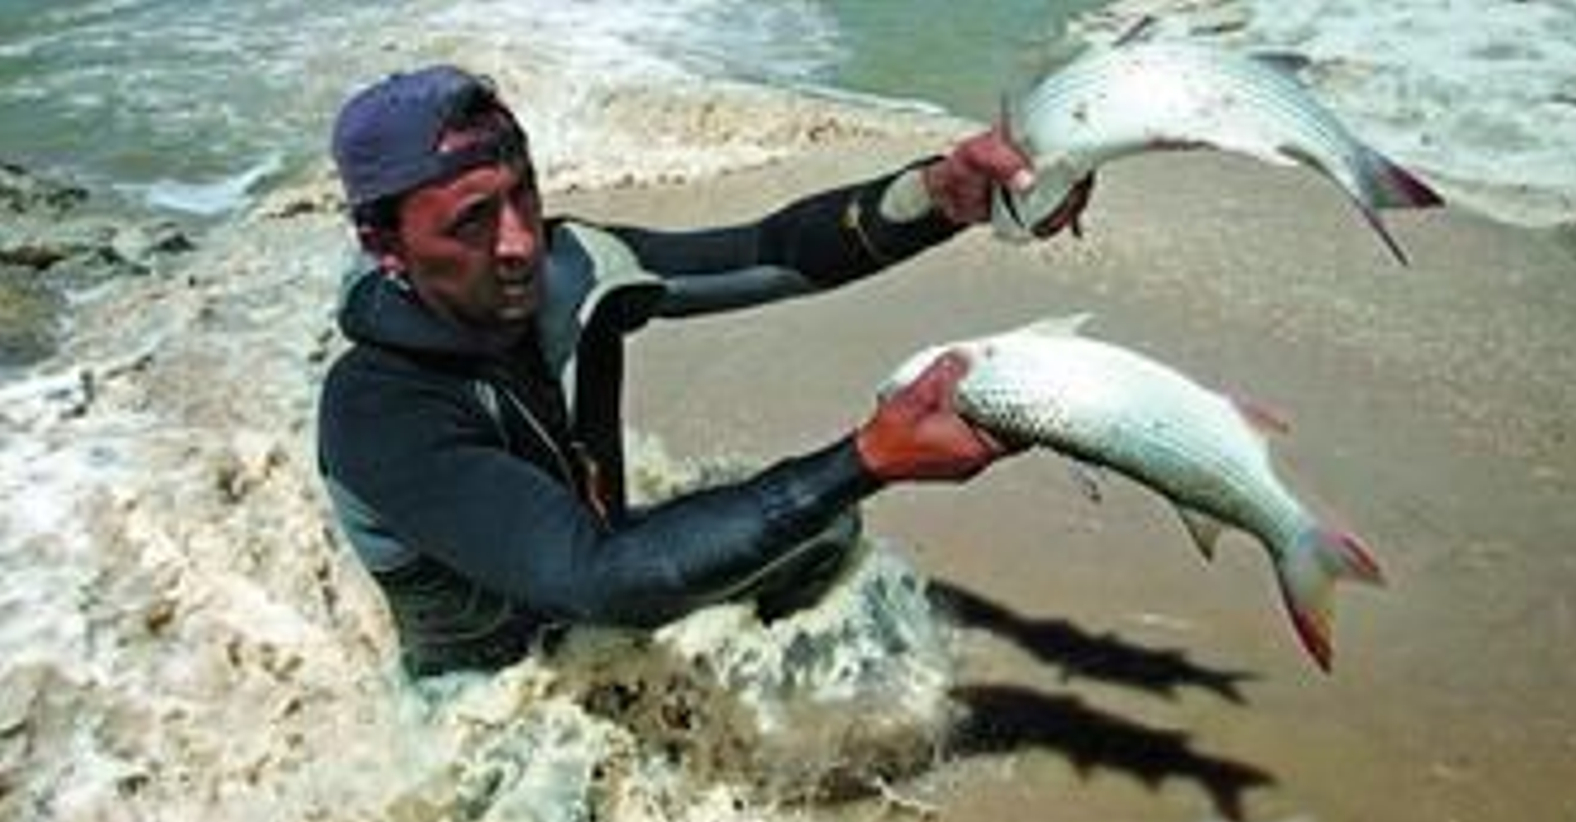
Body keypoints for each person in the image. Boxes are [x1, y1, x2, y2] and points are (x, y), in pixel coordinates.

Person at [318, 65, 1091, 678]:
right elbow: (604, 581)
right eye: (471, 220)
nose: (520, 241)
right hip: (493, 698)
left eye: (524, 193)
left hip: (605, 580)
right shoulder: (378, 409)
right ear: (385, 245)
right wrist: (870, 457)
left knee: (823, 536)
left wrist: (941, 195)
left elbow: (769, 252)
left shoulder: (571, 266)